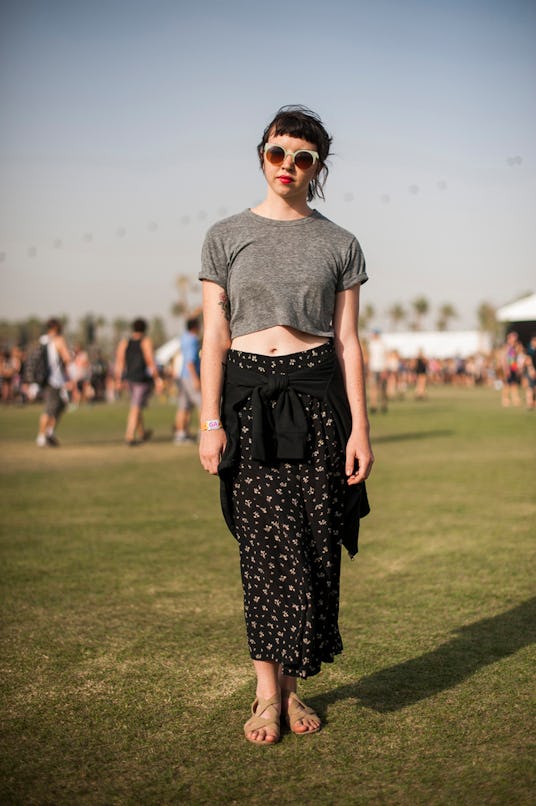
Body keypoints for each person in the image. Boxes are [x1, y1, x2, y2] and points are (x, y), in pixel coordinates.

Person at [198, 105, 373, 745]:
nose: (288, 167)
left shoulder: (341, 243)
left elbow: (350, 343)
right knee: (265, 550)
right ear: (262, 155)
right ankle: (267, 695)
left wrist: (361, 429)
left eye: (303, 158)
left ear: (317, 168)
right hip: (247, 402)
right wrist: (209, 420)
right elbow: (214, 336)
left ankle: (296, 684)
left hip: (321, 401)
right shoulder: (225, 235)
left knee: (315, 545)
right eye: (278, 153)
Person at [114, 318, 163, 445]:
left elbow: (120, 361)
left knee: (137, 405)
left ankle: (142, 433)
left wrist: (118, 379)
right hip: (141, 379)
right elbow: (150, 360)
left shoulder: (125, 342)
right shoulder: (146, 341)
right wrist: (157, 379)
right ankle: (129, 436)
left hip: (129, 379)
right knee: (136, 407)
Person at [36, 318, 72, 447]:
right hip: (55, 379)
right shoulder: (58, 340)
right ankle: (42, 437)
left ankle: (49, 433)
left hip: (45, 379)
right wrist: (69, 377)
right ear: (56, 327)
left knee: (60, 406)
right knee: (50, 408)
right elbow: (67, 358)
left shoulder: (42, 340)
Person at [173, 316, 202, 443]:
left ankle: (180, 434)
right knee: (202, 404)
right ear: (195, 327)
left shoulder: (184, 337)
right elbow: (190, 362)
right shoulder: (193, 340)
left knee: (183, 406)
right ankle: (204, 432)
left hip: (182, 377)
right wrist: (196, 379)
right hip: (191, 376)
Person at [367, 329, 388, 412]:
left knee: (382, 388)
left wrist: (385, 369)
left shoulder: (382, 344)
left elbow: (385, 356)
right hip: (373, 368)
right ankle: (373, 405)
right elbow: (369, 357)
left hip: (381, 368)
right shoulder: (371, 344)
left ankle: (383, 404)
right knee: (373, 387)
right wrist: (368, 369)